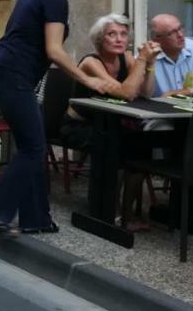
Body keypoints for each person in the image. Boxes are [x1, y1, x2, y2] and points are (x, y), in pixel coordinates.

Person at [0, 0, 119, 235]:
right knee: (33, 148)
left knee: (33, 144)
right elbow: (54, 50)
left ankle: (37, 218)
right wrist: (88, 80)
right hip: (13, 76)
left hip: (6, 73)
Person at [59, 13, 160, 230]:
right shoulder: (90, 62)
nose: (119, 39)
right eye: (111, 34)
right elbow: (126, 93)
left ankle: (126, 212)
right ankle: (107, 212)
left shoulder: (126, 58)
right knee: (115, 148)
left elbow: (147, 93)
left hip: (112, 126)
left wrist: (149, 65)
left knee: (142, 150)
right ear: (99, 39)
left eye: (123, 34)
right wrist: (142, 60)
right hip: (79, 126)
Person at [142, 13, 193, 98]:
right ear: (157, 39)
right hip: (159, 108)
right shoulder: (146, 55)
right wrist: (149, 63)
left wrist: (173, 94)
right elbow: (145, 94)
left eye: (180, 28)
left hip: (191, 107)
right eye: (172, 33)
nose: (180, 35)